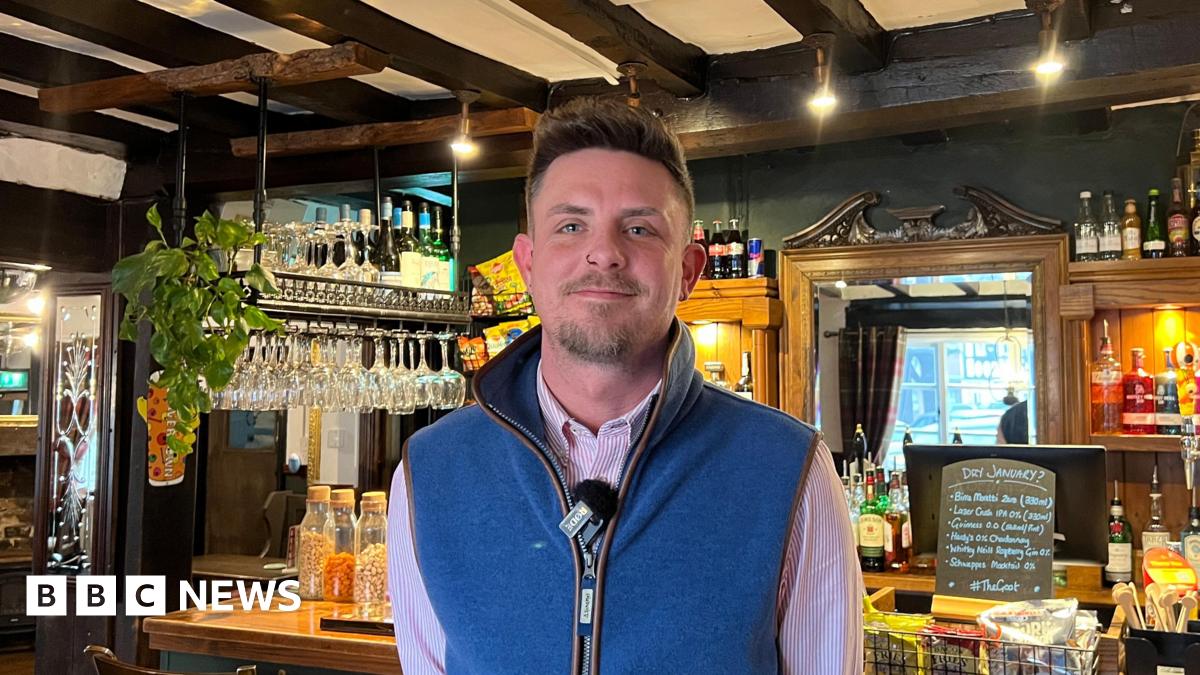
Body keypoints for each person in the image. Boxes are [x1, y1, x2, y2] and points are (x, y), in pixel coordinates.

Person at [387, 97, 862, 674]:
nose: (604, 253)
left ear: (688, 269)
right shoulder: (429, 470)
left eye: (638, 228)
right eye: (571, 225)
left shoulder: (789, 468)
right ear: (527, 265)